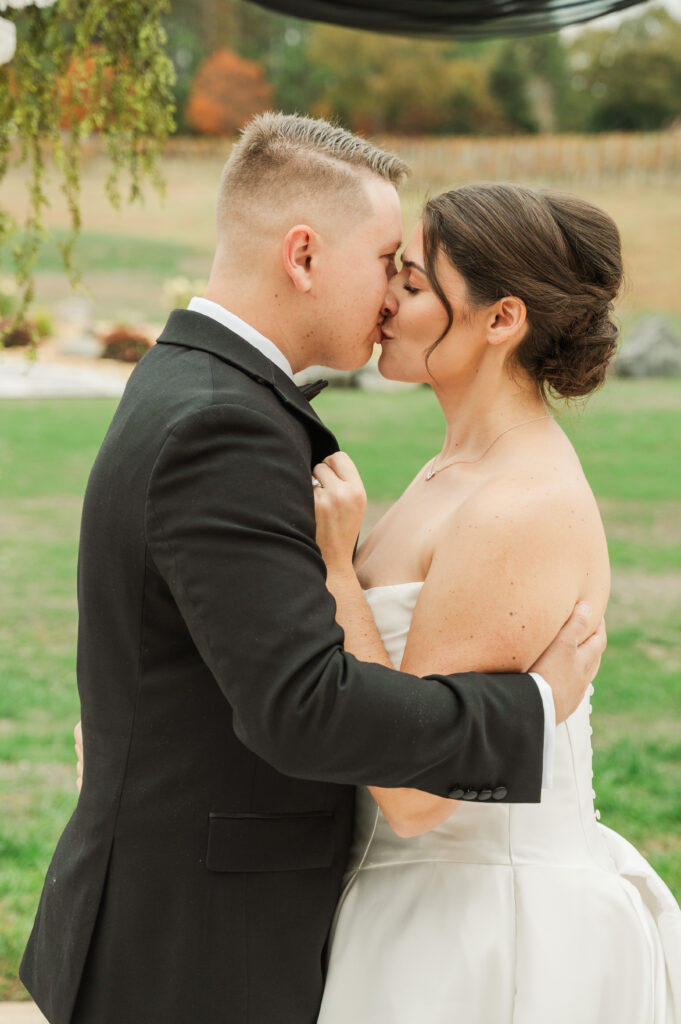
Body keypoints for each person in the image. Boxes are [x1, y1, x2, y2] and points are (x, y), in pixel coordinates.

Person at [20, 116, 604, 1024]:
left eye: (410, 278)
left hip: (346, 927)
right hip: (200, 951)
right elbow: (305, 706)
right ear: (302, 256)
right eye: (387, 262)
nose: (388, 296)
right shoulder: (225, 422)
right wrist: (531, 710)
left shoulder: (188, 383)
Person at [312, 183, 681, 1024]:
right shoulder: (448, 469)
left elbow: (417, 793)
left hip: (486, 941)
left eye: (411, 285)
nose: (385, 304)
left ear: (499, 318)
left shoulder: (518, 502)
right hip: (407, 907)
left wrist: (337, 570)